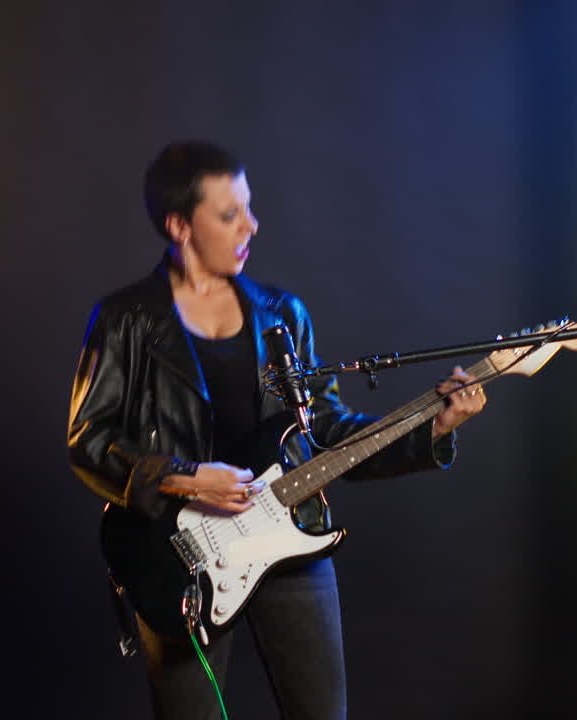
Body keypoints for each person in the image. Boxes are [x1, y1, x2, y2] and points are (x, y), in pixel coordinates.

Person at [67, 141, 487, 720]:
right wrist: (186, 478)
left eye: (250, 207)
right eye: (229, 214)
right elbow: (89, 441)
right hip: (179, 558)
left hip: (291, 536)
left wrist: (432, 427)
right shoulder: (126, 320)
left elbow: (324, 432)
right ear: (179, 226)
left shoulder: (283, 315)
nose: (251, 225)